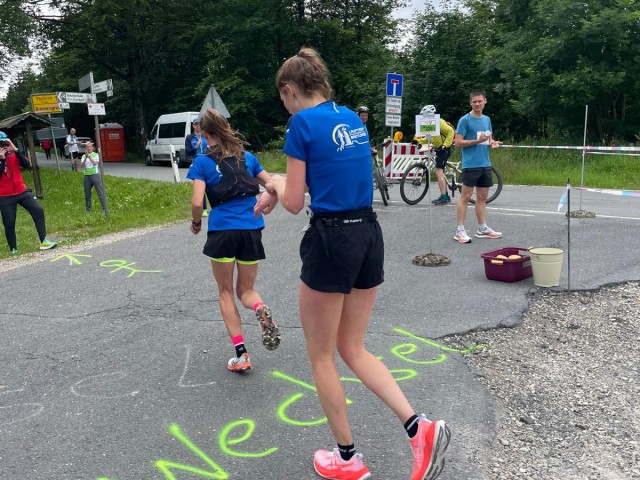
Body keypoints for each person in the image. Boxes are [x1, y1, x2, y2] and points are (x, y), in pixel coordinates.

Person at [260, 47, 450, 480]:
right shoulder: (350, 119)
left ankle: (346, 459)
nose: (285, 105)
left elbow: (292, 201)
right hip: (368, 233)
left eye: (283, 97)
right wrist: (283, 186)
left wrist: (270, 181)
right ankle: (419, 429)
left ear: (290, 90)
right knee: (354, 347)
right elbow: (332, 178)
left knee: (322, 356)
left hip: (331, 240)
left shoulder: (300, 123)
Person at [187, 108, 281, 373]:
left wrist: (196, 222)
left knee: (226, 292)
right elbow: (272, 183)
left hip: (223, 232)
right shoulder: (247, 157)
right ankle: (260, 307)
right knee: (247, 291)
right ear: (226, 128)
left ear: (203, 132)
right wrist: (270, 196)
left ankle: (242, 354)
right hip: (251, 229)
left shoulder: (201, 162)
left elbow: (197, 202)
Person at [454, 90, 503, 243]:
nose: (477, 104)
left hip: (485, 164)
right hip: (470, 165)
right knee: (466, 197)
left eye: (479, 101)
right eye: (474, 101)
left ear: (484, 101)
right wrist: (476, 141)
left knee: (482, 197)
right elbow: (458, 143)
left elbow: (487, 138)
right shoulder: (465, 120)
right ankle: (459, 230)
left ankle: (482, 228)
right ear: (470, 103)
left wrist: (492, 142)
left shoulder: (487, 119)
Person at [0, 131, 57, 254]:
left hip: (22, 191)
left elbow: (27, 165)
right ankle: (13, 248)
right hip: (5, 196)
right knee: (9, 222)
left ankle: (43, 240)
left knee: (38, 210)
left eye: (4, 143)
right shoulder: (1, 157)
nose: (3, 146)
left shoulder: (14, 154)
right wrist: (2, 160)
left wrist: (15, 149)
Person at [419, 105, 456, 206]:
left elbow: (451, 132)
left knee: (439, 172)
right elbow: (430, 138)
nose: (423, 117)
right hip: (438, 150)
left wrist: (445, 145)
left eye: (424, 115)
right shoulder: (431, 123)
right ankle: (446, 195)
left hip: (444, 150)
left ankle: (444, 197)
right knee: (440, 171)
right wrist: (419, 141)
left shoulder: (439, 122)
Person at [186, 118, 209, 217]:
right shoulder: (190, 138)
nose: (198, 126)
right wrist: (196, 147)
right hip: (197, 164)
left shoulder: (206, 135)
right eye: (196, 124)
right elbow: (187, 152)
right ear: (193, 126)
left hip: (208, 162)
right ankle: (204, 209)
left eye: (199, 124)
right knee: (201, 187)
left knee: (211, 186)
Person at [78, 141, 107, 214]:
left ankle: (104, 209)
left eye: (90, 147)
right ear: (86, 149)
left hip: (95, 175)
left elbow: (95, 163)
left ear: (92, 148)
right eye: (87, 147)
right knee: (87, 193)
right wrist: (86, 157)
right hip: (87, 175)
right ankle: (88, 209)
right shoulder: (83, 156)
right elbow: (81, 166)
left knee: (100, 192)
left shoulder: (96, 154)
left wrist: (89, 157)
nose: (89, 148)